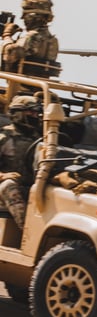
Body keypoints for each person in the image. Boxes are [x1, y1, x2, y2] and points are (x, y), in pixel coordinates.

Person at [0, 95, 43, 229]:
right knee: (9, 185)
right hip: (5, 188)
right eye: (30, 112)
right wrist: (3, 176)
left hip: (30, 186)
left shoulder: (40, 139)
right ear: (16, 113)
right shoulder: (5, 137)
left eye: (36, 113)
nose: (34, 116)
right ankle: (27, 231)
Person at [1, 0, 60, 78]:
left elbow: (10, 54)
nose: (22, 19)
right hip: (35, 85)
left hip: (19, 85)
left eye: (25, 15)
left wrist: (6, 35)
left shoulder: (33, 36)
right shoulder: (50, 38)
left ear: (35, 17)